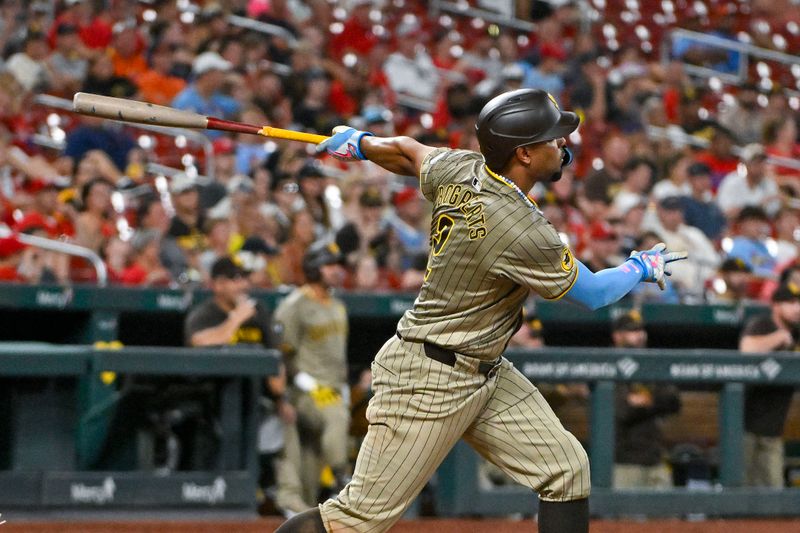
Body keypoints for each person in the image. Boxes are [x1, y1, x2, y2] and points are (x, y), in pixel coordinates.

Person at [276, 88, 687, 533]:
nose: (563, 144)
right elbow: (593, 294)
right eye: (552, 139)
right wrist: (638, 266)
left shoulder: (462, 166)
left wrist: (360, 144)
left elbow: (410, 153)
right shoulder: (519, 228)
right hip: (428, 377)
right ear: (524, 154)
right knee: (354, 520)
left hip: (485, 369)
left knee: (567, 470)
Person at [274, 241, 350, 508]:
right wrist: (302, 381)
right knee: (336, 416)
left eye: (337, 265)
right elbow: (281, 352)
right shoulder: (294, 304)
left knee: (312, 461)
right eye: (329, 265)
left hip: (333, 388)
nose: (336, 270)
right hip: (305, 390)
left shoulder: (338, 306)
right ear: (314, 268)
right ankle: (343, 478)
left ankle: (305, 508)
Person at [739, 281, 800, 487]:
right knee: (740, 491)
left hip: (774, 430)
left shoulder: (797, 333)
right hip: (745, 428)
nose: (797, 308)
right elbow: (747, 349)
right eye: (790, 303)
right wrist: (779, 338)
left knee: (774, 494)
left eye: (799, 303)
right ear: (775, 305)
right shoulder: (762, 325)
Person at [611, 310, 681, 489]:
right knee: (622, 517)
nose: (640, 335)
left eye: (641, 330)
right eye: (632, 331)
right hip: (624, 463)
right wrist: (655, 402)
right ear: (617, 336)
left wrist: (646, 401)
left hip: (656, 459)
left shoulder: (651, 363)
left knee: (668, 515)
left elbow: (673, 401)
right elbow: (623, 410)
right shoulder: (609, 364)